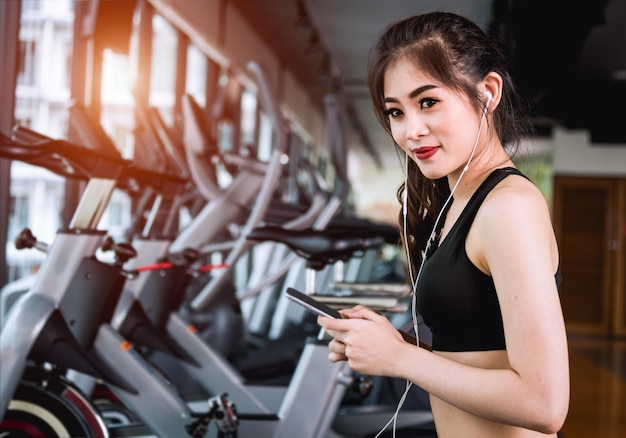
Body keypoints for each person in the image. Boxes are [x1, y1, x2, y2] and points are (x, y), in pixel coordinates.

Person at [317, 11, 569, 438]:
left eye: (428, 102)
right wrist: (393, 347)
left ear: (487, 93)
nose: (411, 130)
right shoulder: (460, 202)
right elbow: (477, 352)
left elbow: (544, 404)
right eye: (396, 112)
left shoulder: (508, 208)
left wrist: (400, 361)